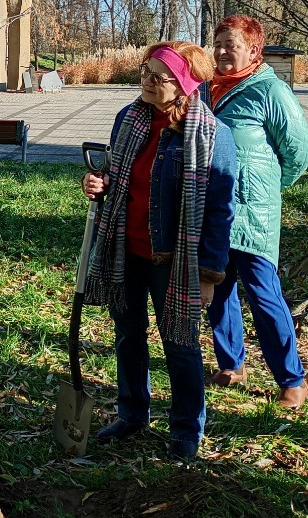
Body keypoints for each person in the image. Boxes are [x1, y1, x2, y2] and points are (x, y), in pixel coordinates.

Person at [83, 41, 237, 461]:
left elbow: (220, 211)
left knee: (180, 344)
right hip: (124, 251)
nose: (147, 82)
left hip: (174, 261)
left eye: (158, 76)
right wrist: (100, 184)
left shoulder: (213, 137)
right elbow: (116, 175)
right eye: (144, 72)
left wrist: (209, 273)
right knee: (128, 336)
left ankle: (186, 431)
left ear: (185, 83)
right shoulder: (128, 119)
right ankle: (133, 412)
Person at [204, 16, 308, 410]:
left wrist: (265, 188)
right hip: (213, 212)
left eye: (229, 44)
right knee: (218, 290)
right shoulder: (205, 90)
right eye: (216, 43)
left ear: (253, 49)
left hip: (253, 216)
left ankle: (293, 380)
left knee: (264, 296)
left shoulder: (271, 90)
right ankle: (231, 366)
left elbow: (299, 153)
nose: (219, 51)